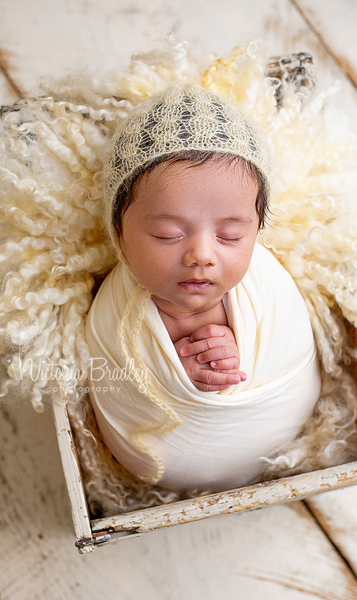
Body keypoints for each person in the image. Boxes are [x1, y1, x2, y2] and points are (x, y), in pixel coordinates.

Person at [86, 84, 322, 492]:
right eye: (167, 234)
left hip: (277, 435)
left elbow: (292, 349)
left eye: (230, 236)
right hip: (159, 464)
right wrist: (172, 378)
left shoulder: (265, 287)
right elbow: (109, 379)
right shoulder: (116, 314)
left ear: (256, 231)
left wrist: (234, 365)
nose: (201, 255)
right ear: (119, 235)